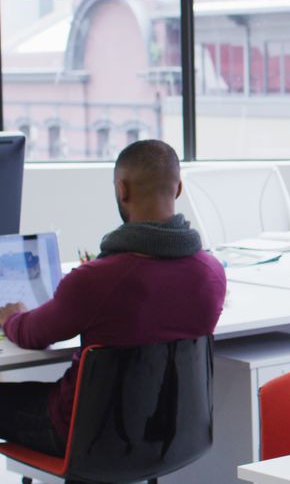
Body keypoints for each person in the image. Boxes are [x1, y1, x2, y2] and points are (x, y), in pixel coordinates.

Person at [0, 139, 226, 456]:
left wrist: (11, 317)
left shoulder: (95, 280)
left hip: (83, 433)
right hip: (168, 433)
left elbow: (33, 334)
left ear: (122, 189)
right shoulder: (212, 274)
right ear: (178, 189)